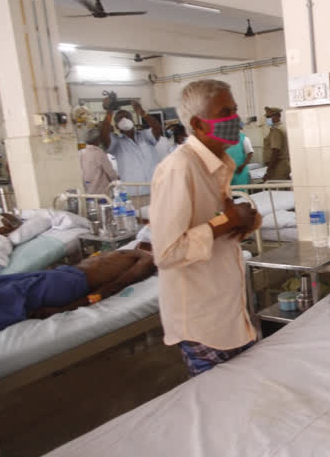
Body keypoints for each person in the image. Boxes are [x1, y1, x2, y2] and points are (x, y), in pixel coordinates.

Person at [150, 79, 262, 377]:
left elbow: (219, 226)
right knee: (220, 407)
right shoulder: (180, 168)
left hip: (226, 310)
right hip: (202, 322)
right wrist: (226, 221)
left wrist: (245, 220)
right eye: (226, 111)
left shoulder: (218, 163)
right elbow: (167, 252)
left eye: (235, 110)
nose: (235, 119)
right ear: (199, 124)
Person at [0, 249, 156, 334]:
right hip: (56, 279)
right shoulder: (132, 254)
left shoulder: (142, 258)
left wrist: (72, 306)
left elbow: (117, 285)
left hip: (62, 282)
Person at [100, 100, 163, 207]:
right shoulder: (117, 143)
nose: (124, 119)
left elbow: (157, 128)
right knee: (141, 221)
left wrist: (142, 112)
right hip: (134, 195)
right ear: (116, 125)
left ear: (133, 120)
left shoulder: (145, 136)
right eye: (120, 118)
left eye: (127, 117)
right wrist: (109, 112)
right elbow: (103, 136)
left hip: (157, 190)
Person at [80, 128, 119, 195]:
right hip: (101, 190)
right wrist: (117, 182)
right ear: (97, 140)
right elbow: (110, 172)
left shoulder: (81, 152)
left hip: (88, 189)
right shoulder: (99, 153)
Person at [262, 106, 291, 181]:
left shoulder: (276, 130)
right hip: (284, 165)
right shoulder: (282, 127)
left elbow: (275, 151)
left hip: (277, 167)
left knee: (277, 191)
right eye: (267, 117)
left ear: (278, 116)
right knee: (283, 190)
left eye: (269, 116)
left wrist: (269, 170)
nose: (268, 119)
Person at [227, 121, 254, 186]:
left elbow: (250, 154)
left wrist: (242, 166)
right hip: (228, 171)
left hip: (240, 171)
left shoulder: (244, 139)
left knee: (241, 192)